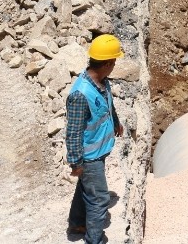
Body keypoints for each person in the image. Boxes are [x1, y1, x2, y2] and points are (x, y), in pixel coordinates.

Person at [66, 34, 125, 243]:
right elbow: (72, 132)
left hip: (98, 151)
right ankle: (95, 240)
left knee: (86, 188)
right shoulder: (80, 95)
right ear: (108, 63)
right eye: (114, 61)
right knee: (99, 200)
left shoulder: (101, 81)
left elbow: (107, 104)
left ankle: (77, 224)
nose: (115, 65)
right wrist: (76, 163)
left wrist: (116, 121)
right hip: (89, 157)